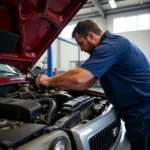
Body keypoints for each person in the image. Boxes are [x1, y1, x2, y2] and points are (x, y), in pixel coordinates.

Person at [36, 19, 150, 150]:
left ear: (90, 35)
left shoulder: (110, 46)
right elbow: (86, 83)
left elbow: (80, 77)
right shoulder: (112, 45)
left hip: (143, 113)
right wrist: (62, 85)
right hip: (137, 112)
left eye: (81, 44)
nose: (82, 49)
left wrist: (49, 80)